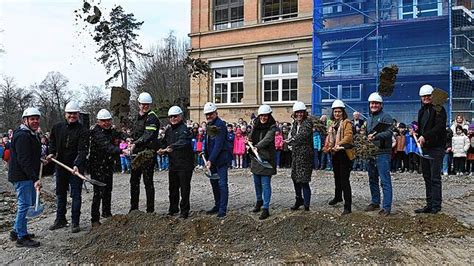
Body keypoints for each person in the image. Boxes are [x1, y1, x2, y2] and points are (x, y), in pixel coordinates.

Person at [46, 101, 89, 233]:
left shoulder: (83, 130)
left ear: (78, 114)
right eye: (70, 113)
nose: (72, 116)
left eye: (74, 113)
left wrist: (77, 164)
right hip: (61, 166)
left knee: (76, 195)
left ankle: (75, 222)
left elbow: (83, 150)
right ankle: (60, 219)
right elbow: (52, 141)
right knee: (60, 193)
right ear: (65, 114)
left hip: (76, 168)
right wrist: (52, 152)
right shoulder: (57, 127)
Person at [8, 108, 42, 247]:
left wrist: (41, 160)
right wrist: (35, 179)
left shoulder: (31, 134)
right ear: (25, 120)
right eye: (32, 119)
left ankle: (16, 231)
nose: (35, 121)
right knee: (25, 205)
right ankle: (22, 237)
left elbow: (31, 155)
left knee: (25, 204)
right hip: (22, 176)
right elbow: (23, 159)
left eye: (37, 118)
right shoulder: (22, 135)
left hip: (26, 174)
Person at [414, 84, 447, 214]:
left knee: (435, 178)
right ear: (421, 98)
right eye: (424, 96)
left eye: (428, 96)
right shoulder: (421, 111)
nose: (426, 98)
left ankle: (436, 206)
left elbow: (439, 127)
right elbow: (422, 127)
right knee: (427, 176)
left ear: (433, 96)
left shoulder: (439, 110)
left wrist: (425, 136)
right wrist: (416, 131)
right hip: (425, 148)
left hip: (436, 148)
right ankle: (429, 204)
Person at [89, 109, 123, 228]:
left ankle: (106, 212)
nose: (106, 123)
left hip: (108, 165)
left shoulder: (111, 131)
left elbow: (119, 136)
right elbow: (107, 147)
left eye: (108, 120)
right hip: (97, 166)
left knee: (108, 190)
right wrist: (122, 150)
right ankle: (94, 219)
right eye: (103, 121)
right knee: (98, 193)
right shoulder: (96, 133)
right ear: (98, 121)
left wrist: (127, 139)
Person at [159, 106, 194, 219]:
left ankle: (184, 211)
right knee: (172, 188)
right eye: (171, 117)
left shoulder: (184, 129)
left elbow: (183, 142)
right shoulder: (169, 130)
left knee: (184, 188)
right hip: (173, 164)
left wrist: (171, 147)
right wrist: (160, 148)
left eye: (175, 116)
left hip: (185, 164)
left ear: (180, 116)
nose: (173, 118)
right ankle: (173, 208)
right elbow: (164, 142)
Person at [129, 92, 160, 213]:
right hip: (137, 153)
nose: (145, 106)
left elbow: (148, 134)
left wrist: (136, 143)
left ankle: (150, 209)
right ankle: (134, 208)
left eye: (147, 105)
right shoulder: (137, 117)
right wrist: (130, 139)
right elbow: (135, 133)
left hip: (148, 153)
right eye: (143, 104)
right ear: (139, 104)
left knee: (148, 181)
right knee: (134, 181)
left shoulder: (152, 117)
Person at [365, 92, 393, 216]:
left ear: (381, 105)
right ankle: (375, 201)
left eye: (376, 103)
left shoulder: (386, 117)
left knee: (384, 180)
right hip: (371, 153)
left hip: (383, 153)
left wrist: (375, 136)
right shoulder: (369, 118)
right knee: (372, 179)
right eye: (372, 103)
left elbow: (389, 133)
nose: (374, 105)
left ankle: (386, 207)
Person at [324, 100, 355, 215]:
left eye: (339, 111)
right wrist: (327, 146)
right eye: (335, 111)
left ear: (343, 112)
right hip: (335, 153)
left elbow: (348, 137)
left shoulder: (347, 123)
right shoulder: (332, 124)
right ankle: (338, 197)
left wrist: (339, 144)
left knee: (344, 180)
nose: (337, 114)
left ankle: (348, 206)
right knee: (337, 177)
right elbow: (329, 137)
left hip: (344, 154)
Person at [248, 104, 277, 220]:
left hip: (266, 159)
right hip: (256, 158)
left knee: (265, 184)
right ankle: (259, 201)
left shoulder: (272, 127)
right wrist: (248, 141)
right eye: (261, 116)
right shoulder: (256, 125)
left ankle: (266, 208)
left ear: (269, 116)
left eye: (265, 116)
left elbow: (268, 139)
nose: (263, 118)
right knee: (257, 182)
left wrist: (257, 146)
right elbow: (251, 136)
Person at [203, 102, 232, 217]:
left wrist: (210, 160)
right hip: (212, 160)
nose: (208, 116)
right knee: (214, 183)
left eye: (210, 114)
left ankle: (222, 209)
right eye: (207, 114)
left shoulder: (219, 125)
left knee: (222, 184)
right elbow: (209, 142)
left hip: (220, 160)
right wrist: (206, 155)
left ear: (216, 113)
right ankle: (217, 204)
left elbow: (218, 145)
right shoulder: (210, 125)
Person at [286, 101, 313, 211]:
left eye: (301, 112)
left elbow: (302, 136)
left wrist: (290, 141)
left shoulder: (307, 123)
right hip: (296, 155)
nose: (299, 114)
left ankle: (306, 204)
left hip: (305, 156)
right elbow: (293, 135)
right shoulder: (294, 124)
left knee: (304, 180)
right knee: (295, 179)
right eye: (297, 112)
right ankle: (299, 199)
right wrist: (290, 142)